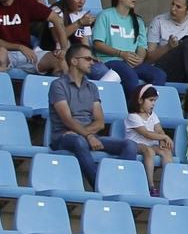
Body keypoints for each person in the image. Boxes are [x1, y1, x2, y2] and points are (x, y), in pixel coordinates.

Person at [48, 44, 138, 187]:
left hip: (86, 136)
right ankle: (100, 186)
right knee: (78, 141)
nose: (92, 62)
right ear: (74, 61)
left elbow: (100, 122)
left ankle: (119, 184)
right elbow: (67, 119)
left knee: (130, 145)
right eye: (88, 59)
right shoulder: (58, 85)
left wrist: (85, 134)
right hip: (63, 137)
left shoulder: (92, 87)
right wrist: (88, 136)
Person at [124, 84, 174, 191]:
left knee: (166, 150)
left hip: (150, 144)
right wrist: (164, 137)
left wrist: (162, 140)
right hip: (135, 144)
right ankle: (150, 185)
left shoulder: (152, 115)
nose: (153, 104)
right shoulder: (133, 117)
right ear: (140, 100)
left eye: (154, 101)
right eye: (151, 100)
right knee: (149, 151)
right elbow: (146, 133)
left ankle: (168, 184)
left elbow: (159, 129)